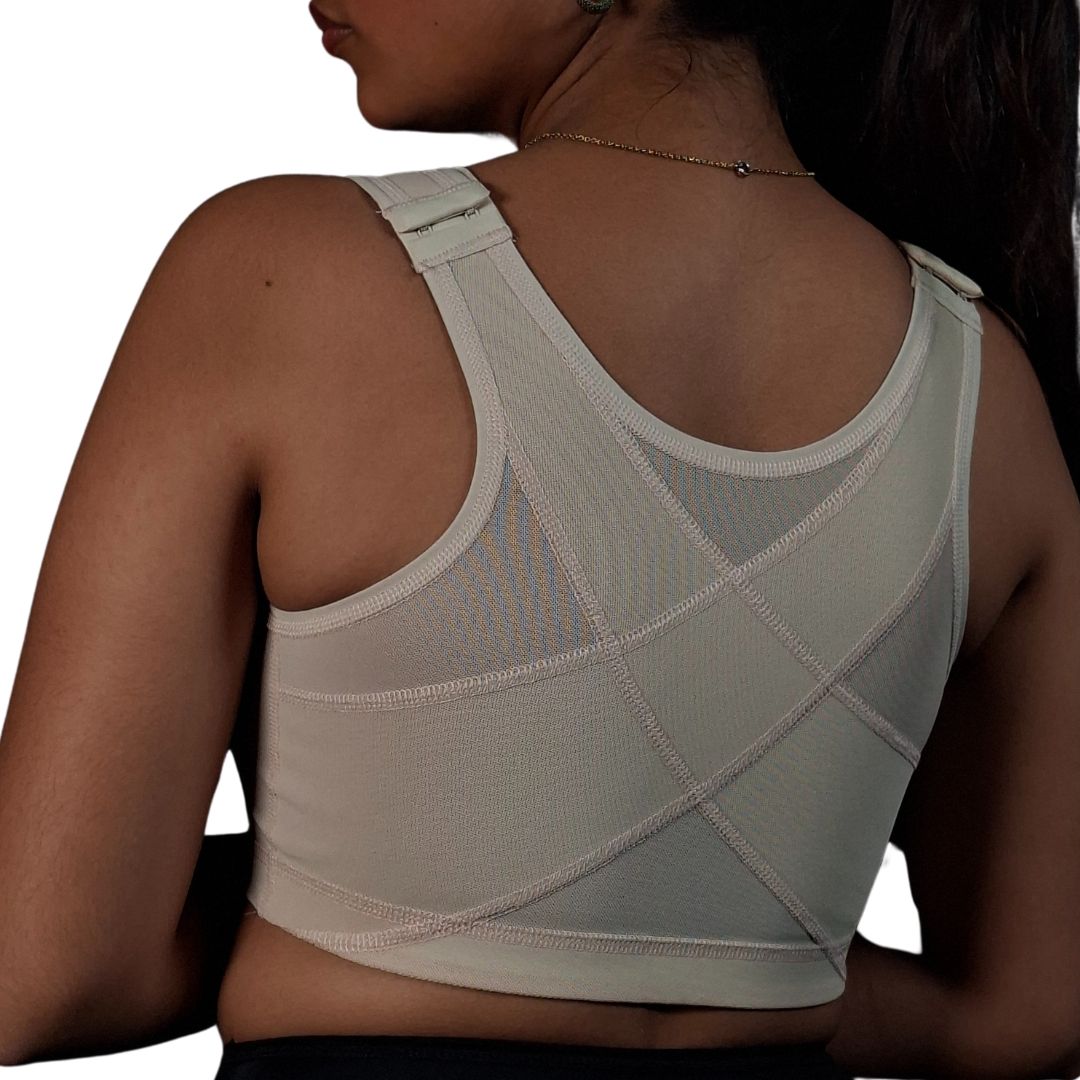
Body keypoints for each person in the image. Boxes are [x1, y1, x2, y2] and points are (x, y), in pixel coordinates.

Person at [1, 1, 1078, 1078]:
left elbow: (45, 973)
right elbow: (1024, 1011)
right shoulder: (983, 388)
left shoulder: (282, 275)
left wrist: (387, 911)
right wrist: (714, 956)